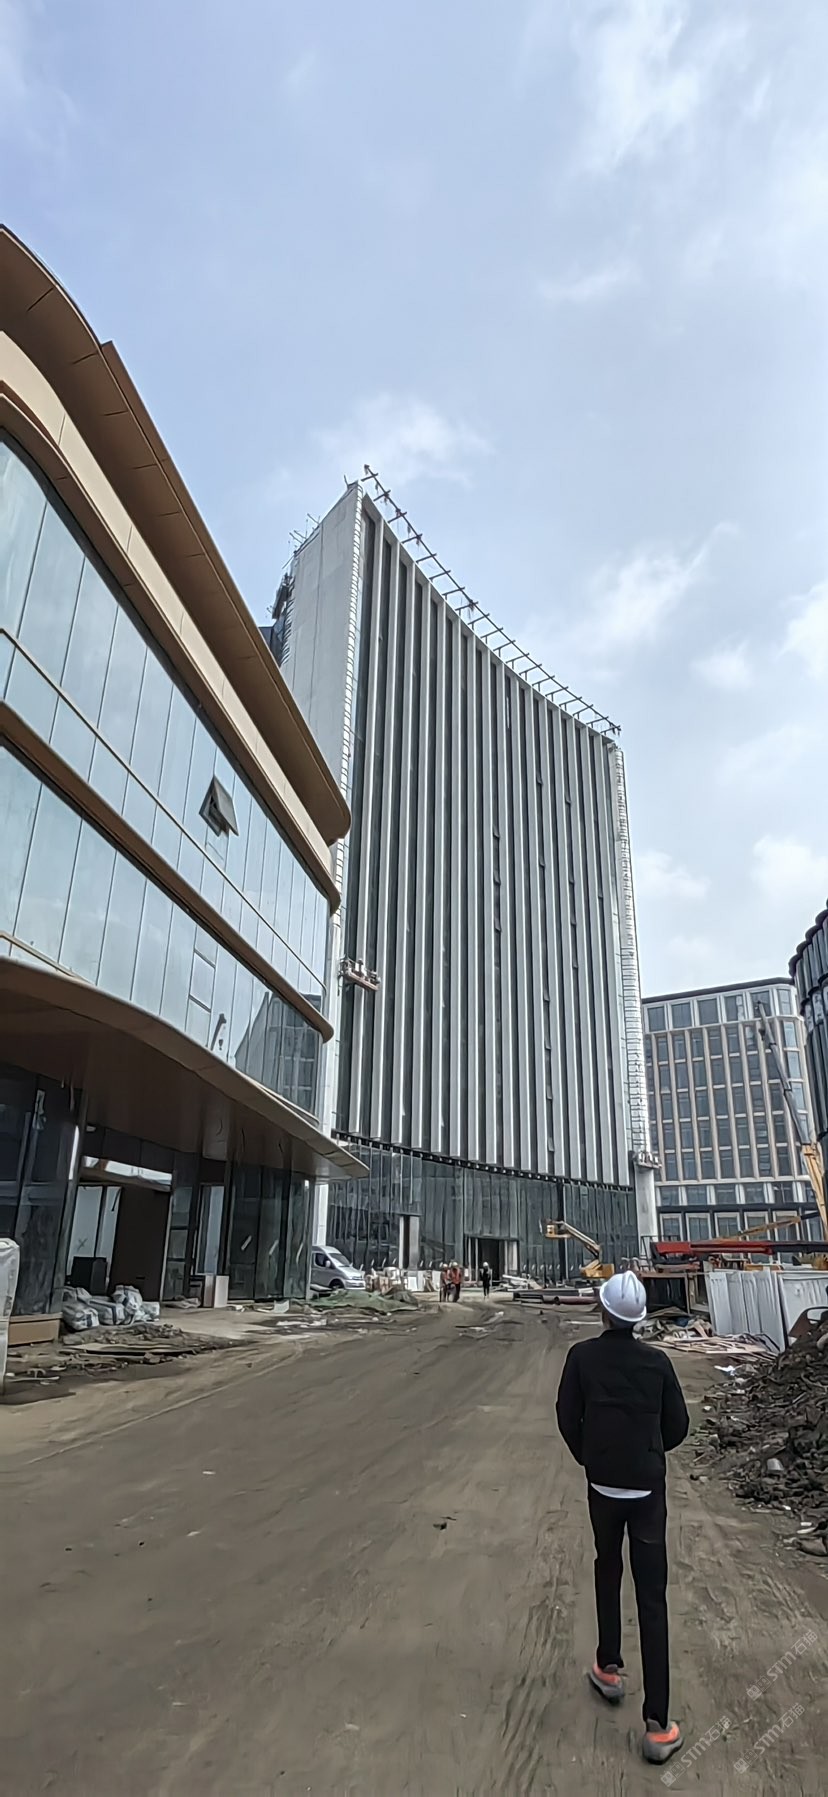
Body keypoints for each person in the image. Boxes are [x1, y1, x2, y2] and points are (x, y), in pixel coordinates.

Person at [555, 1270, 689, 1769]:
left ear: (604, 1311)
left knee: (607, 1565)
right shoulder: (657, 1363)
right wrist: (647, 1452)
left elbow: (566, 1417)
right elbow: (678, 1425)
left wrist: (592, 1458)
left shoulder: (581, 1357)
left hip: (603, 1487)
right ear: (640, 1318)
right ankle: (658, 1725)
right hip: (646, 1490)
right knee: (652, 1597)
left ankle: (608, 1667)